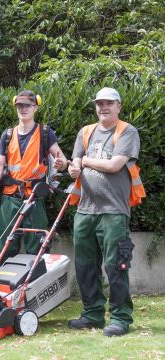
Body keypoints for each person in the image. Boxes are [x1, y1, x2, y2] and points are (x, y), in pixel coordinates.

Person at [67, 87, 145, 337]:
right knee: (85, 266)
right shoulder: (86, 132)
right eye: (99, 103)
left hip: (113, 211)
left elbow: (114, 165)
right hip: (85, 210)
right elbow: (75, 160)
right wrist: (73, 168)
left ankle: (121, 318)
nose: (103, 107)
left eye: (109, 103)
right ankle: (92, 315)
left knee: (116, 266)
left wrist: (85, 161)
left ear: (118, 106)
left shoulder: (127, 131)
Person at [0, 90, 67, 259]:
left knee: (38, 247)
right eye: (20, 105)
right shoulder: (8, 135)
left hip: (35, 198)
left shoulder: (45, 133)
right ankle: (3, 284)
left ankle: (35, 283)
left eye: (27, 105)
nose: (23, 109)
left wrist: (62, 164)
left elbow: (61, 160)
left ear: (35, 108)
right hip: (10, 199)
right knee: (6, 247)